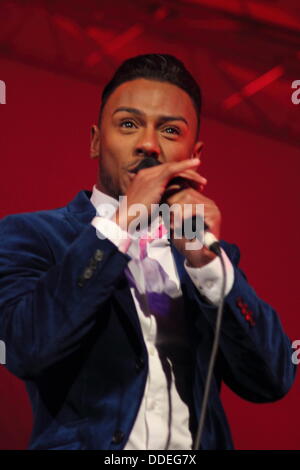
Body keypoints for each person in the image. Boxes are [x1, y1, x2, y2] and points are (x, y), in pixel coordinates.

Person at [0, 53, 296, 451]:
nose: (149, 144)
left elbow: (272, 379)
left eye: (171, 131)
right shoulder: (34, 235)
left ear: (195, 154)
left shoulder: (206, 255)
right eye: (128, 124)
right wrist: (119, 225)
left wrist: (205, 262)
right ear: (95, 141)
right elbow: (25, 348)